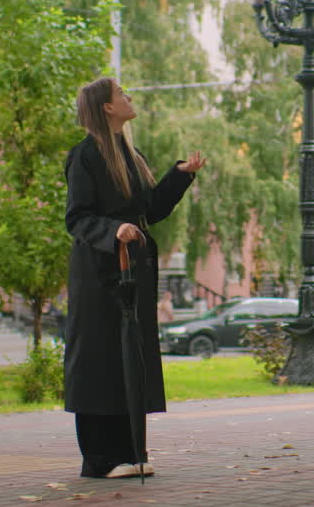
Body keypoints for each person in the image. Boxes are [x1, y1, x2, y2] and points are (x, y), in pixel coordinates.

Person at [62, 77, 206, 479]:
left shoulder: (131, 154)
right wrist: (114, 232)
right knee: (99, 360)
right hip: (99, 274)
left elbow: (151, 210)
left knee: (130, 356)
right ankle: (100, 460)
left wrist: (180, 175)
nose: (128, 98)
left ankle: (130, 453)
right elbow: (78, 217)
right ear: (107, 107)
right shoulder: (84, 156)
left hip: (133, 270)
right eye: (121, 95)